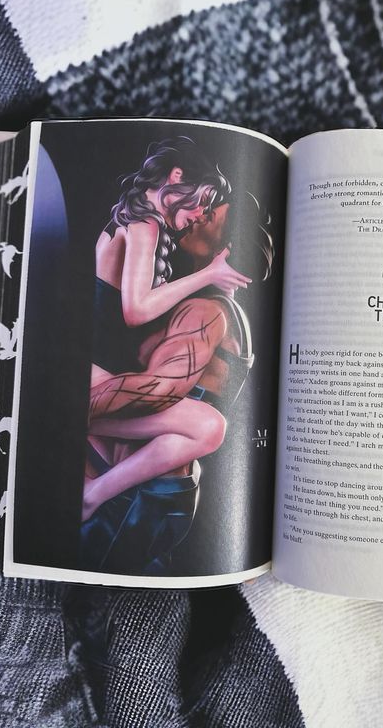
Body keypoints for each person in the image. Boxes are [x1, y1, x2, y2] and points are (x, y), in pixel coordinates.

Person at [80, 190, 273, 574]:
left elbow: (158, 390)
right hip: (155, 483)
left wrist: (70, 405)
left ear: (227, 248)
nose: (198, 216)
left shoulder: (206, 311)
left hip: (144, 495)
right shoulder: (207, 301)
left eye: (210, 217)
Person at [85, 137, 251, 522]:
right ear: (177, 177)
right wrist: (208, 274)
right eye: (203, 202)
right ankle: (91, 496)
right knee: (209, 426)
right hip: (93, 380)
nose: (199, 215)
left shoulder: (144, 224)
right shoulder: (143, 224)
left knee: (209, 428)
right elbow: (135, 310)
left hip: (105, 376)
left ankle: (93, 493)